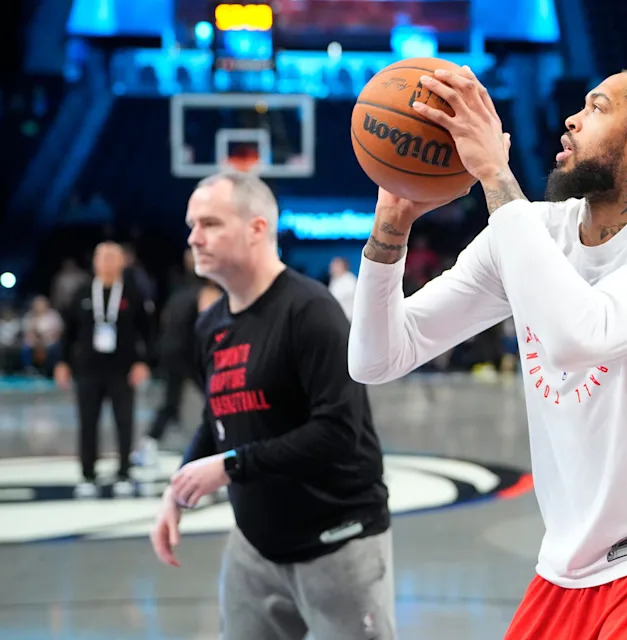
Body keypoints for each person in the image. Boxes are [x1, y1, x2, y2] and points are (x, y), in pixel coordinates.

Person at [350, 65, 627, 638]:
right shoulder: (531, 231)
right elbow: (376, 360)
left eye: (598, 108)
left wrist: (495, 174)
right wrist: (390, 230)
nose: (572, 120)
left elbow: (580, 336)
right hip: (564, 565)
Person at [149, 172, 395, 640]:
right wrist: (178, 488)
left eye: (210, 224)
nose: (194, 238)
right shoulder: (211, 325)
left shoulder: (311, 311)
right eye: (192, 225)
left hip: (337, 541)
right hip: (255, 546)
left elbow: (338, 432)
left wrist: (231, 466)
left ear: (257, 228)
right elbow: (217, 418)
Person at [55, 242, 153, 499]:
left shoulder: (132, 293)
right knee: (87, 422)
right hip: (88, 370)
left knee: (124, 422)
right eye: (102, 256)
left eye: (112, 256)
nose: (107, 261)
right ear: (95, 261)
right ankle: (88, 474)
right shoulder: (82, 293)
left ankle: (124, 472)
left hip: (122, 370)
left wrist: (143, 362)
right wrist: (63, 363)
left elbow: (147, 331)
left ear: (122, 261)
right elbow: (68, 332)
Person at [134, 250, 221, 468]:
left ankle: (150, 443)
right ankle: (151, 444)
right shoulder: (206, 293)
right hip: (187, 353)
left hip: (170, 351)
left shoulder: (177, 293)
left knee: (175, 402)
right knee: (213, 399)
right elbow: (212, 325)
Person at [327, 256, 358, 321]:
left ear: (342, 266)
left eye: (335, 265)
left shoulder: (349, 281)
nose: (331, 268)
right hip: (339, 317)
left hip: (348, 318)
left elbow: (336, 299)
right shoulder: (335, 280)